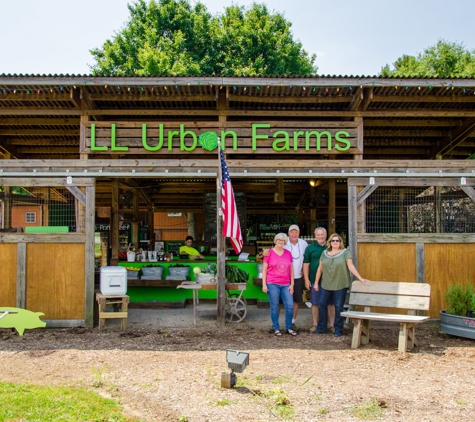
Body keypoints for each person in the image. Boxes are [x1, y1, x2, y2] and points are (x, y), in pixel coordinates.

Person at [313, 233, 369, 337]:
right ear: (330, 242)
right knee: (321, 304)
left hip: (340, 284)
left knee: (338, 307)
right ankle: (321, 328)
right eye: (333, 241)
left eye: (337, 241)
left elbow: (350, 266)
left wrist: (359, 278)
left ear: (340, 242)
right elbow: (320, 269)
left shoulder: (345, 253)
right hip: (326, 284)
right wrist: (316, 283)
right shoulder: (324, 253)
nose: (335, 242)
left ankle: (338, 329)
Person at [262, 233, 297, 336]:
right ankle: (276, 328)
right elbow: (264, 270)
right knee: (274, 306)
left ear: (285, 242)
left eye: (283, 240)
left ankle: (288, 327)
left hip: (286, 284)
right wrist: (264, 284)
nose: (280, 242)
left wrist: (292, 284)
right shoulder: (269, 253)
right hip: (272, 283)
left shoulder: (288, 253)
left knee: (290, 306)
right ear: (275, 240)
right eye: (279, 240)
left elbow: (291, 269)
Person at [303, 227, 336, 333]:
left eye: (322, 235)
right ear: (315, 235)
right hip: (314, 280)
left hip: (330, 280)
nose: (320, 237)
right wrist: (306, 279)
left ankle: (331, 325)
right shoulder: (310, 248)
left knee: (331, 303)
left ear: (326, 235)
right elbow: (306, 264)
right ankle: (315, 324)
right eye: (318, 235)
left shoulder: (331, 246)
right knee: (315, 302)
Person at [285, 224, 308, 331]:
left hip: (298, 277)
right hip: (284, 277)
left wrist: (304, 270)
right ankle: (279, 323)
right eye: (292, 232)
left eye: (296, 232)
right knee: (282, 301)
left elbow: (307, 259)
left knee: (296, 300)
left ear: (299, 233)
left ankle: (292, 322)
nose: (294, 234)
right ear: (288, 233)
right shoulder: (284, 243)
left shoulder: (304, 244)